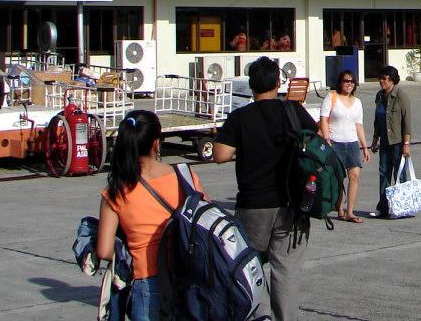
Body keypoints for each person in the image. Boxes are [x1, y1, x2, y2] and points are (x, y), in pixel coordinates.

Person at [213, 57, 319, 321]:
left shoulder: (241, 117)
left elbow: (220, 154)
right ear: (278, 82)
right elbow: (316, 141)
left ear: (251, 85)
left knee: (248, 267)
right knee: (286, 272)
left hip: (253, 205)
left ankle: (255, 316)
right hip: (292, 205)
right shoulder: (294, 112)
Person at [98, 110, 206, 321]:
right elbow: (206, 220)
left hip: (148, 282)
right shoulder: (185, 176)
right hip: (188, 277)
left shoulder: (116, 191)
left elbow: (103, 251)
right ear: (156, 143)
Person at [319, 70, 370, 223]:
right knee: (339, 178)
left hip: (352, 143)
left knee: (354, 176)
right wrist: (327, 139)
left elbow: (359, 125)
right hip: (335, 142)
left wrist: (364, 146)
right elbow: (324, 119)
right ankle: (339, 207)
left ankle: (350, 212)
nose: (349, 84)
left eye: (352, 81)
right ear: (340, 82)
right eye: (346, 81)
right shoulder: (332, 97)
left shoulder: (358, 102)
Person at [370, 65, 414, 218]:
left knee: (400, 175)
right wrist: (375, 139)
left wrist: (406, 145)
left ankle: (400, 207)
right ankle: (383, 206)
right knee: (384, 173)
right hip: (384, 142)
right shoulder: (380, 96)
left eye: (384, 79)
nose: (381, 81)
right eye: (380, 78)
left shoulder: (401, 97)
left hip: (398, 142)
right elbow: (377, 119)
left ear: (392, 80)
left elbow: (406, 123)